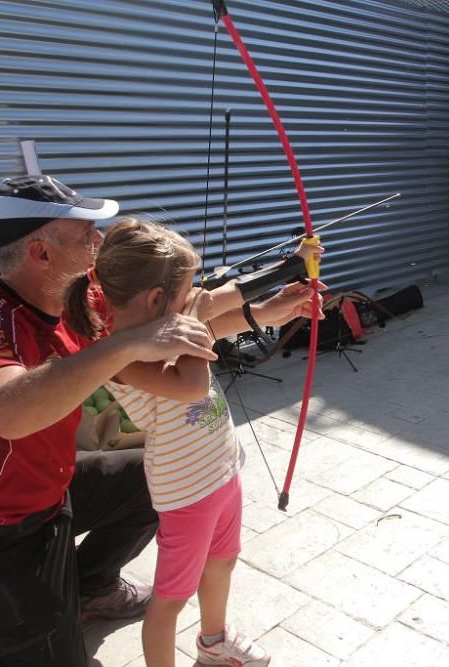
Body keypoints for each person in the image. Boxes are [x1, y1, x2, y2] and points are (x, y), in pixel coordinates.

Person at [0, 175, 217, 667]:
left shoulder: (74, 294)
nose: (99, 241)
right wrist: (124, 344)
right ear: (40, 253)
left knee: (155, 477)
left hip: (51, 489)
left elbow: (177, 308)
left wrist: (264, 303)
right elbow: (9, 412)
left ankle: (92, 587)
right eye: (85, 235)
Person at [63, 218, 321, 667]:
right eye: (187, 292)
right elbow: (189, 385)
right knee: (170, 601)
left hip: (221, 472)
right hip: (185, 494)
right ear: (157, 300)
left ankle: (214, 641)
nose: (195, 298)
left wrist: (281, 286)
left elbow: (225, 299)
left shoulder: (167, 322)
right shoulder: (120, 352)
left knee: (223, 560)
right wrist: (194, 317)